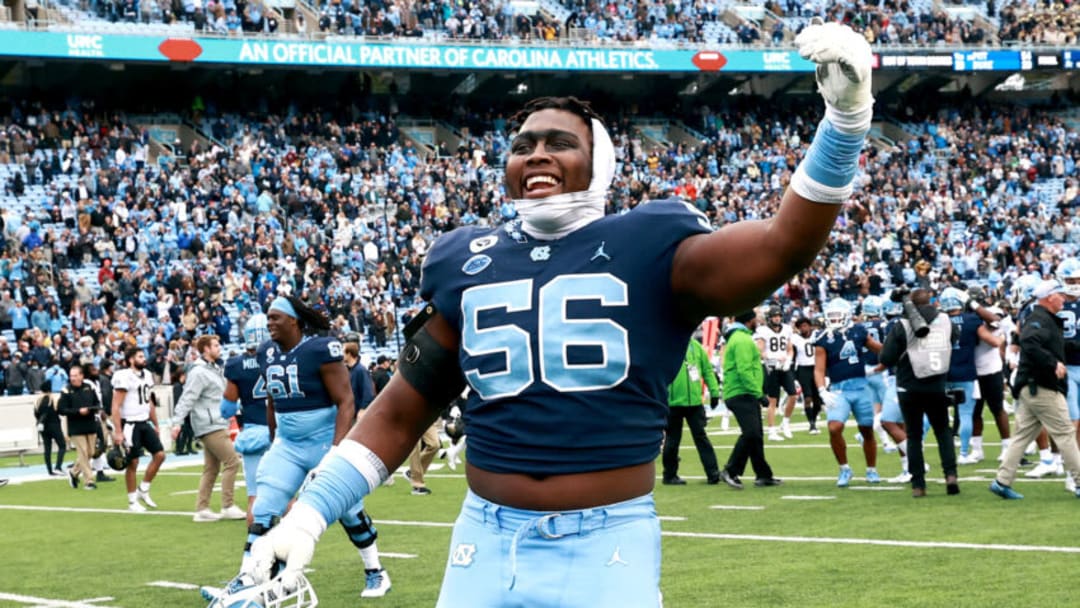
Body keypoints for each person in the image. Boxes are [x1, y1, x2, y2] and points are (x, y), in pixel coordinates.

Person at [248, 23, 874, 607]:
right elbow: (399, 412)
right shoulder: (467, 258)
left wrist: (845, 122)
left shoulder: (652, 243)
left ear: (598, 164)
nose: (536, 154)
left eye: (558, 143)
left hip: (609, 539)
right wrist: (309, 513)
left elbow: (782, 244)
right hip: (483, 539)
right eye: (522, 146)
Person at [206, 296, 390, 601]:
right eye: (268, 318)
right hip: (288, 444)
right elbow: (271, 401)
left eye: (276, 317)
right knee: (263, 510)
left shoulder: (321, 349)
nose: (270, 323)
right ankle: (247, 579)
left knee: (348, 510)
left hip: (322, 440)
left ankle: (376, 571)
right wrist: (274, 438)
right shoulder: (266, 351)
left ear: (294, 320)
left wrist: (336, 449)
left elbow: (346, 402)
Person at [991, 280, 1080, 499]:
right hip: (1042, 386)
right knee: (1065, 433)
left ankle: (1002, 481)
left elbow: (1056, 345)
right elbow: (1029, 343)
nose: (1064, 298)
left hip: (1033, 386)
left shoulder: (1045, 319)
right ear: (1050, 297)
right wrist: (1052, 363)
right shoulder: (1039, 319)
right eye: (1060, 294)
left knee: (1022, 436)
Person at [878, 288, 959, 497]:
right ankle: (951, 475)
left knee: (913, 436)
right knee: (943, 431)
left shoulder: (902, 324)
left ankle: (918, 484)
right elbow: (954, 340)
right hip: (938, 382)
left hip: (909, 384)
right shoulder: (945, 320)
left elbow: (886, 357)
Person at [171, 334, 245, 523]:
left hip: (216, 421)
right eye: (215, 345)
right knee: (232, 461)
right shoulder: (198, 372)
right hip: (209, 423)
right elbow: (188, 398)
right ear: (205, 349)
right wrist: (177, 422)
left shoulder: (214, 368)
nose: (219, 347)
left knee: (211, 468)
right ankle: (227, 505)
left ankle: (202, 509)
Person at [815, 298, 883, 487]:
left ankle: (871, 469)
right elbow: (819, 369)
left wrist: (890, 357)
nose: (834, 320)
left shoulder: (859, 331)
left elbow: (879, 349)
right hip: (839, 389)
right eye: (831, 316)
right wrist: (822, 390)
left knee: (867, 430)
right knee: (834, 428)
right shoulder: (822, 338)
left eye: (838, 316)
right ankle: (844, 468)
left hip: (861, 387)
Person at [939, 287, 1002, 465]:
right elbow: (994, 332)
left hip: (942, 374)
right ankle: (964, 453)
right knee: (966, 413)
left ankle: (920, 446)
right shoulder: (971, 319)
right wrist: (1002, 339)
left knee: (937, 414)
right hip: (965, 373)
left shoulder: (937, 321)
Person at [719, 311, 781, 489]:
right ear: (750, 320)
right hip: (742, 393)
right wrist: (758, 394)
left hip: (742, 392)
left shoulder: (738, 338)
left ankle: (763, 474)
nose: (758, 321)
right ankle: (731, 470)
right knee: (751, 433)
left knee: (756, 436)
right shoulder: (742, 340)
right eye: (756, 319)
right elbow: (744, 370)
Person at [223, 313, 272, 514]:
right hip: (283, 432)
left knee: (254, 494)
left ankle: (254, 541)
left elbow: (227, 409)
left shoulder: (235, 365)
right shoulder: (281, 359)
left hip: (254, 430)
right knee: (285, 493)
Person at [110, 346, 166, 512]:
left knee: (160, 455)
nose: (144, 359)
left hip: (143, 422)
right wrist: (118, 431)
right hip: (130, 424)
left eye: (143, 356)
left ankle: (144, 488)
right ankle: (132, 501)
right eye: (140, 356)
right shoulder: (124, 376)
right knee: (133, 462)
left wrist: (155, 424)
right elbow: (116, 405)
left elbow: (149, 402)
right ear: (131, 360)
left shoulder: (147, 375)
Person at [662, 334, 721, 485]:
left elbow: (707, 370)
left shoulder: (696, 346)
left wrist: (714, 392)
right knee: (673, 440)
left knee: (700, 438)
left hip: (694, 402)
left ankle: (713, 473)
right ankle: (669, 475)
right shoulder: (666, 345)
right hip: (673, 402)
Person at [57, 364, 102, 490]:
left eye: (75, 375)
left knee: (91, 453)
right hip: (76, 427)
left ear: (82, 376)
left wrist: (91, 410)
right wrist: (78, 411)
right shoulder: (66, 391)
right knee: (83, 453)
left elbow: (97, 404)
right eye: (71, 376)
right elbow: (61, 410)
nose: (73, 378)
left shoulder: (89, 387)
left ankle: (74, 472)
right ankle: (89, 481)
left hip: (90, 425)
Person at [755, 305, 797, 441]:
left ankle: (785, 423)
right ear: (769, 318)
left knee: (793, 395)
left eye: (779, 316)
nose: (777, 318)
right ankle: (772, 430)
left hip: (784, 367)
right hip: (771, 369)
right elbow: (759, 352)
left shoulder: (787, 329)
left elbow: (790, 349)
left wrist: (788, 360)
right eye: (774, 316)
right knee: (773, 401)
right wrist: (773, 358)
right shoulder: (763, 331)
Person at [791, 317, 823, 435]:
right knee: (807, 397)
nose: (804, 328)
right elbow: (793, 358)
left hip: (816, 368)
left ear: (810, 326)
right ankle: (812, 424)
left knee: (818, 401)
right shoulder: (795, 339)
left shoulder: (817, 335)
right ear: (798, 328)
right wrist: (794, 376)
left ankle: (813, 419)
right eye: (801, 326)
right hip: (803, 370)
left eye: (806, 325)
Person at [33, 392, 66, 476]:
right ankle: (58, 467)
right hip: (54, 425)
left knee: (47, 449)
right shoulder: (52, 400)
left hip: (43, 427)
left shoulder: (38, 401)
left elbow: (36, 414)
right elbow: (59, 411)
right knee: (62, 446)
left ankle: (49, 470)